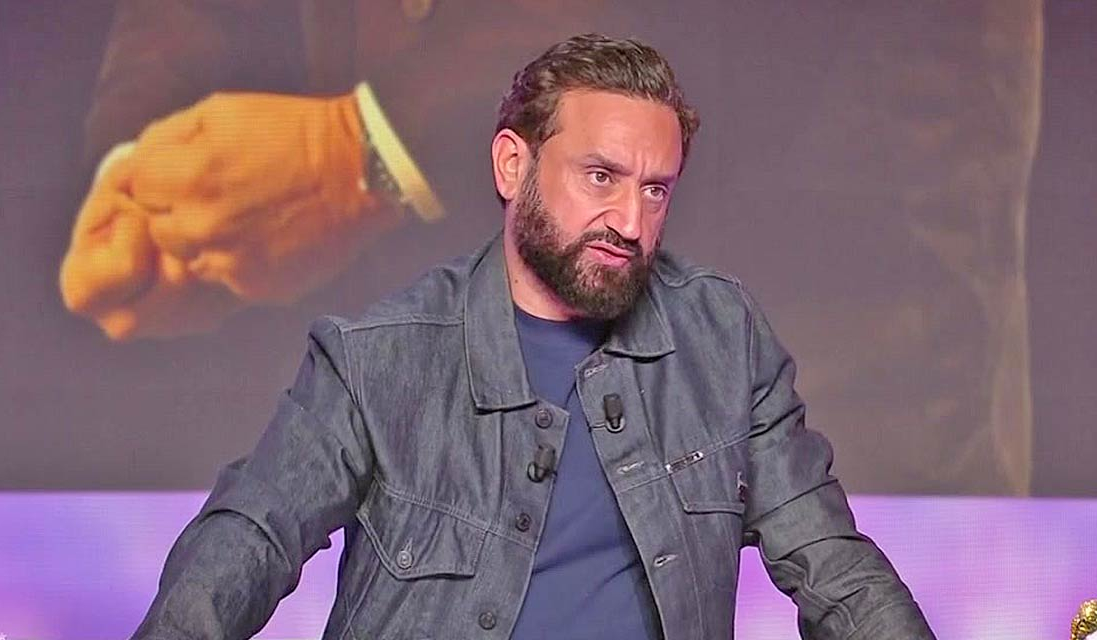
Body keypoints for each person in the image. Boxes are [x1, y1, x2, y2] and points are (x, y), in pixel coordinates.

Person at [131, 34, 934, 639]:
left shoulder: (722, 338)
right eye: (600, 177)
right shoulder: (377, 357)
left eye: (656, 190)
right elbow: (251, 536)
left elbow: (833, 566)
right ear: (512, 166)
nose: (630, 221)